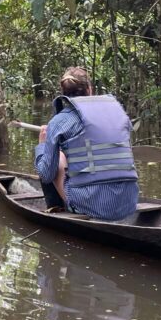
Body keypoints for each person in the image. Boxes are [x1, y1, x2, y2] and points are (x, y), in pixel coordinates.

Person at [34, 66, 139, 220]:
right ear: (89, 89)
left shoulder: (59, 121)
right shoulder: (119, 114)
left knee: (56, 158)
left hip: (90, 206)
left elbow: (45, 174)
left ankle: (57, 209)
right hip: (129, 203)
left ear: (64, 92)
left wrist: (42, 144)